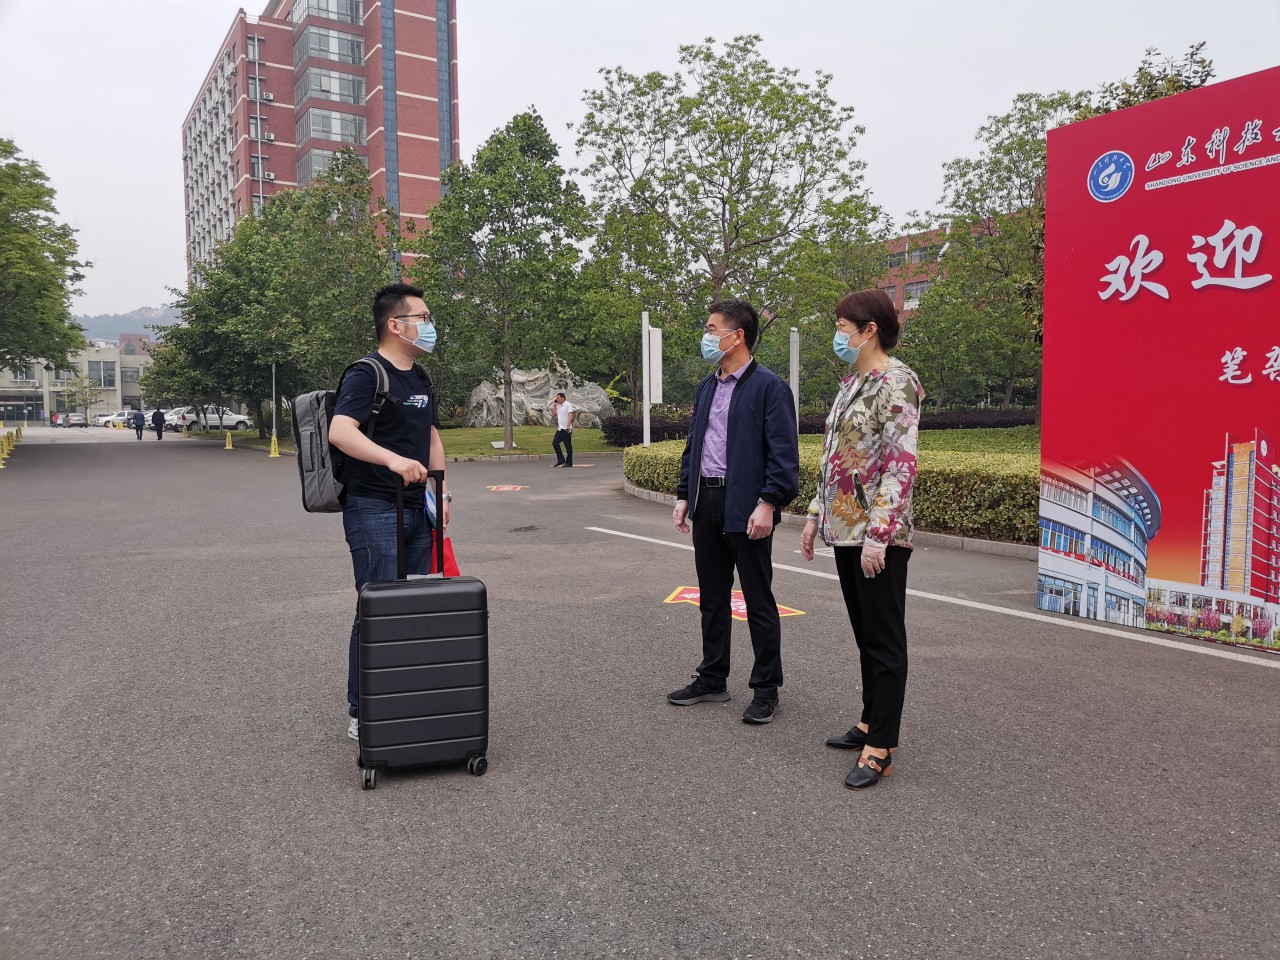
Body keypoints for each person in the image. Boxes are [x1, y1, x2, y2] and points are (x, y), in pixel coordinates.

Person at [799, 289, 924, 789]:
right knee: (865, 635)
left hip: (877, 535)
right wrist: (815, 515)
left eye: (842, 327)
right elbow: (834, 457)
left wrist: (880, 534)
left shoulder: (898, 382)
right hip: (845, 529)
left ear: (869, 329)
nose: (838, 335)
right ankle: (871, 719)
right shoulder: (851, 384)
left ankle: (881, 748)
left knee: (885, 639)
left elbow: (901, 463)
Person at [328, 281, 450, 741]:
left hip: (418, 509)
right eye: (424, 318)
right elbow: (341, 431)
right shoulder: (367, 373)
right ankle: (363, 711)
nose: (430, 326)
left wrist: (441, 494)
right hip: (374, 508)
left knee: (414, 607)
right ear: (395, 325)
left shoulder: (421, 378)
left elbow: (432, 438)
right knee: (377, 609)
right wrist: (393, 460)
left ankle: (406, 699)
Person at [668, 299, 800, 724]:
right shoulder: (707, 386)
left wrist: (769, 502)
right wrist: (684, 494)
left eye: (712, 329)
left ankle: (766, 689)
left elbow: (784, 454)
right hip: (707, 501)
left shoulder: (770, 387)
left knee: (758, 599)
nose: (706, 336)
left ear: (737, 335)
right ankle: (712, 677)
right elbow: (695, 445)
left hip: (748, 505)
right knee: (711, 597)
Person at [551, 391, 575, 467]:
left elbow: (570, 415)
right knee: (555, 443)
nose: (557, 399)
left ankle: (569, 462)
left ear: (563, 398)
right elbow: (555, 414)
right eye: (557, 398)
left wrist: (568, 425)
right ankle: (561, 460)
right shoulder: (559, 406)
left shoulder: (568, 405)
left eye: (558, 398)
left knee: (567, 446)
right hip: (560, 429)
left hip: (566, 429)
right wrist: (554, 406)